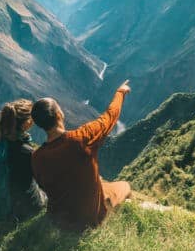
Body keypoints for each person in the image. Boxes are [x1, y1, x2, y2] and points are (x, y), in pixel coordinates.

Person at [30, 80, 132, 230]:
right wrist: (120, 92)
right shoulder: (81, 138)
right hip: (90, 219)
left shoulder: (37, 157)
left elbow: (45, 185)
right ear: (59, 114)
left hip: (58, 218)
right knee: (125, 186)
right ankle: (111, 217)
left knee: (100, 182)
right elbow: (109, 117)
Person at [0, 99, 46, 221]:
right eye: (31, 118)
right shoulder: (27, 151)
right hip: (27, 207)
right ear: (25, 124)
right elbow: (41, 178)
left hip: (2, 204)